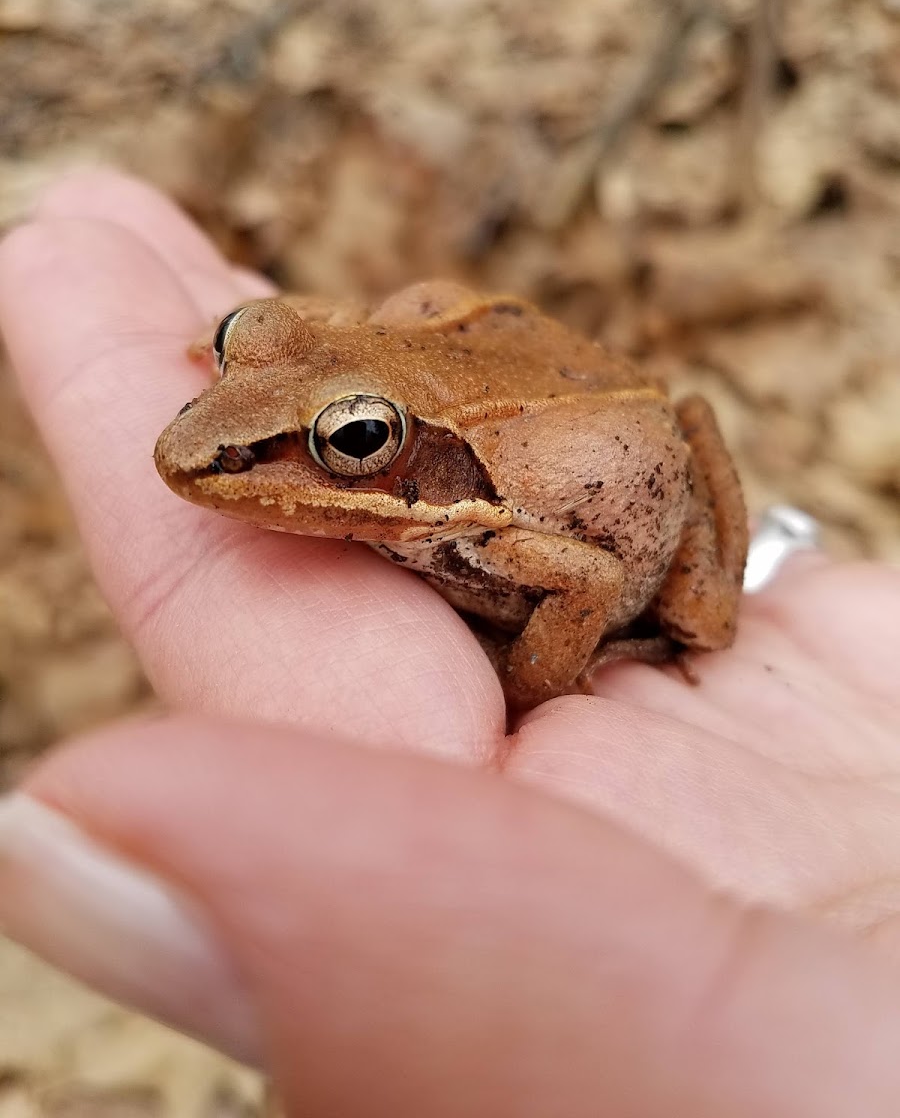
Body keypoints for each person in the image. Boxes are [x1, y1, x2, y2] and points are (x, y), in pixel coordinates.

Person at [0, 170, 899, 1116]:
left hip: (613, 466)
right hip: (479, 361)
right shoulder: (311, 367)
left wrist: (533, 686)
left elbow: (590, 577)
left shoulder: (497, 528)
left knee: (704, 619)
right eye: (237, 354)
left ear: (396, 457)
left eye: (347, 443)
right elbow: (320, 322)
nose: (228, 450)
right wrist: (254, 350)